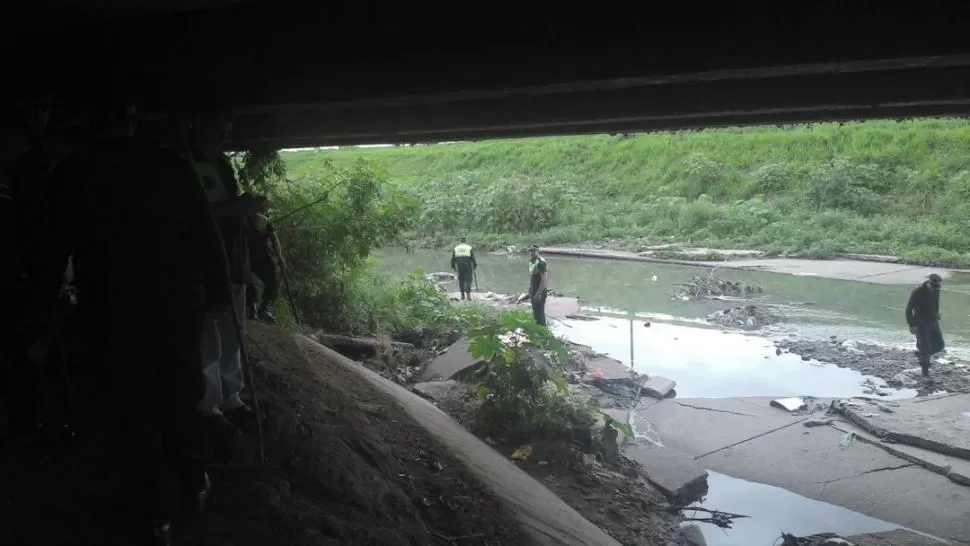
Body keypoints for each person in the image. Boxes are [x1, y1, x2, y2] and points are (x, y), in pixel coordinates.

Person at [38, 100, 224, 544]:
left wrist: (40, 312)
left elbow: (50, 250)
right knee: (179, 389)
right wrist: (218, 290)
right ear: (133, 122)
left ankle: (154, 512)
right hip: (175, 301)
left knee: (130, 403)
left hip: (111, 304)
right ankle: (192, 484)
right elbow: (205, 230)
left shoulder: (72, 170)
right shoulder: (169, 164)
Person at [191, 105, 265, 430]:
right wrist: (235, 208)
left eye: (226, 130)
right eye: (216, 129)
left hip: (232, 259)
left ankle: (233, 397)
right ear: (197, 127)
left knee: (234, 332)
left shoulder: (221, 164)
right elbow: (192, 214)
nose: (222, 137)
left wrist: (247, 212)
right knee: (209, 333)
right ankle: (210, 405)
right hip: (203, 261)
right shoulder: (185, 164)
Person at [246, 211, 284, 322]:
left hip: (263, 258)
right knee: (247, 281)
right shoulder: (243, 217)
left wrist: (280, 257)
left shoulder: (265, 220)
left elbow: (274, 239)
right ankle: (251, 306)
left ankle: (264, 309)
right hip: (245, 256)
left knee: (273, 281)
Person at [906, 273, 945, 379]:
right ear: (929, 283)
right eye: (933, 286)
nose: (935, 288)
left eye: (937, 286)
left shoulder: (937, 290)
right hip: (921, 321)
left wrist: (936, 313)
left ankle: (922, 354)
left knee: (939, 345)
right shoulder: (917, 292)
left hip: (933, 320)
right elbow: (909, 309)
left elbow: (936, 303)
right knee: (925, 346)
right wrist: (912, 325)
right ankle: (925, 373)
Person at [527, 245, 549, 326]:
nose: (532, 253)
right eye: (530, 251)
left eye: (534, 251)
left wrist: (539, 293)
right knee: (536, 313)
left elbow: (544, 278)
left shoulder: (540, 262)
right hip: (533, 290)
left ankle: (543, 335)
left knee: (540, 314)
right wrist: (530, 290)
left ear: (538, 251)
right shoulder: (532, 261)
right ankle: (538, 332)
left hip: (539, 291)